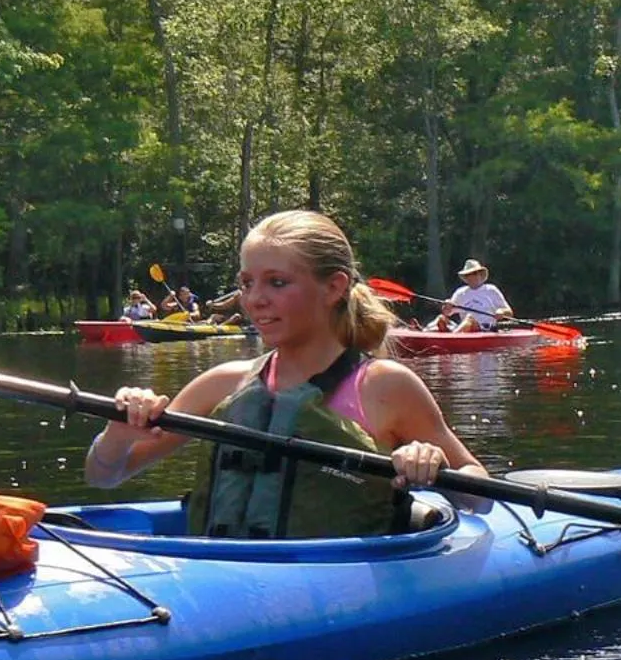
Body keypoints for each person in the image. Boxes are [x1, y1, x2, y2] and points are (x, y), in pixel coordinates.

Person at [85, 209, 487, 538]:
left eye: (277, 283)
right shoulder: (223, 384)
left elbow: (479, 492)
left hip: (332, 588)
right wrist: (117, 435)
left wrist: (433, 465)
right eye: (246, 283)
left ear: (333, 287)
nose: (256, 299)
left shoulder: (384, 386)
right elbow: (104, 477)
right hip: (222, 578)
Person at [423, 258, 514, 332]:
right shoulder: (460, 292)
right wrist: (447, 306)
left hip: (485, 328)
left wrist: (501, 312)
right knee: (441, 319)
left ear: (480, 274)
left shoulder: (491, 290)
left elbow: (509, 312)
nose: (474, 276)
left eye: (476, 273)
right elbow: (447, 313)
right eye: (469, 274)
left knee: (469, 318)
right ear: (466, 277)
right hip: (465, 328)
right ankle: (425, 333)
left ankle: (453, 339)